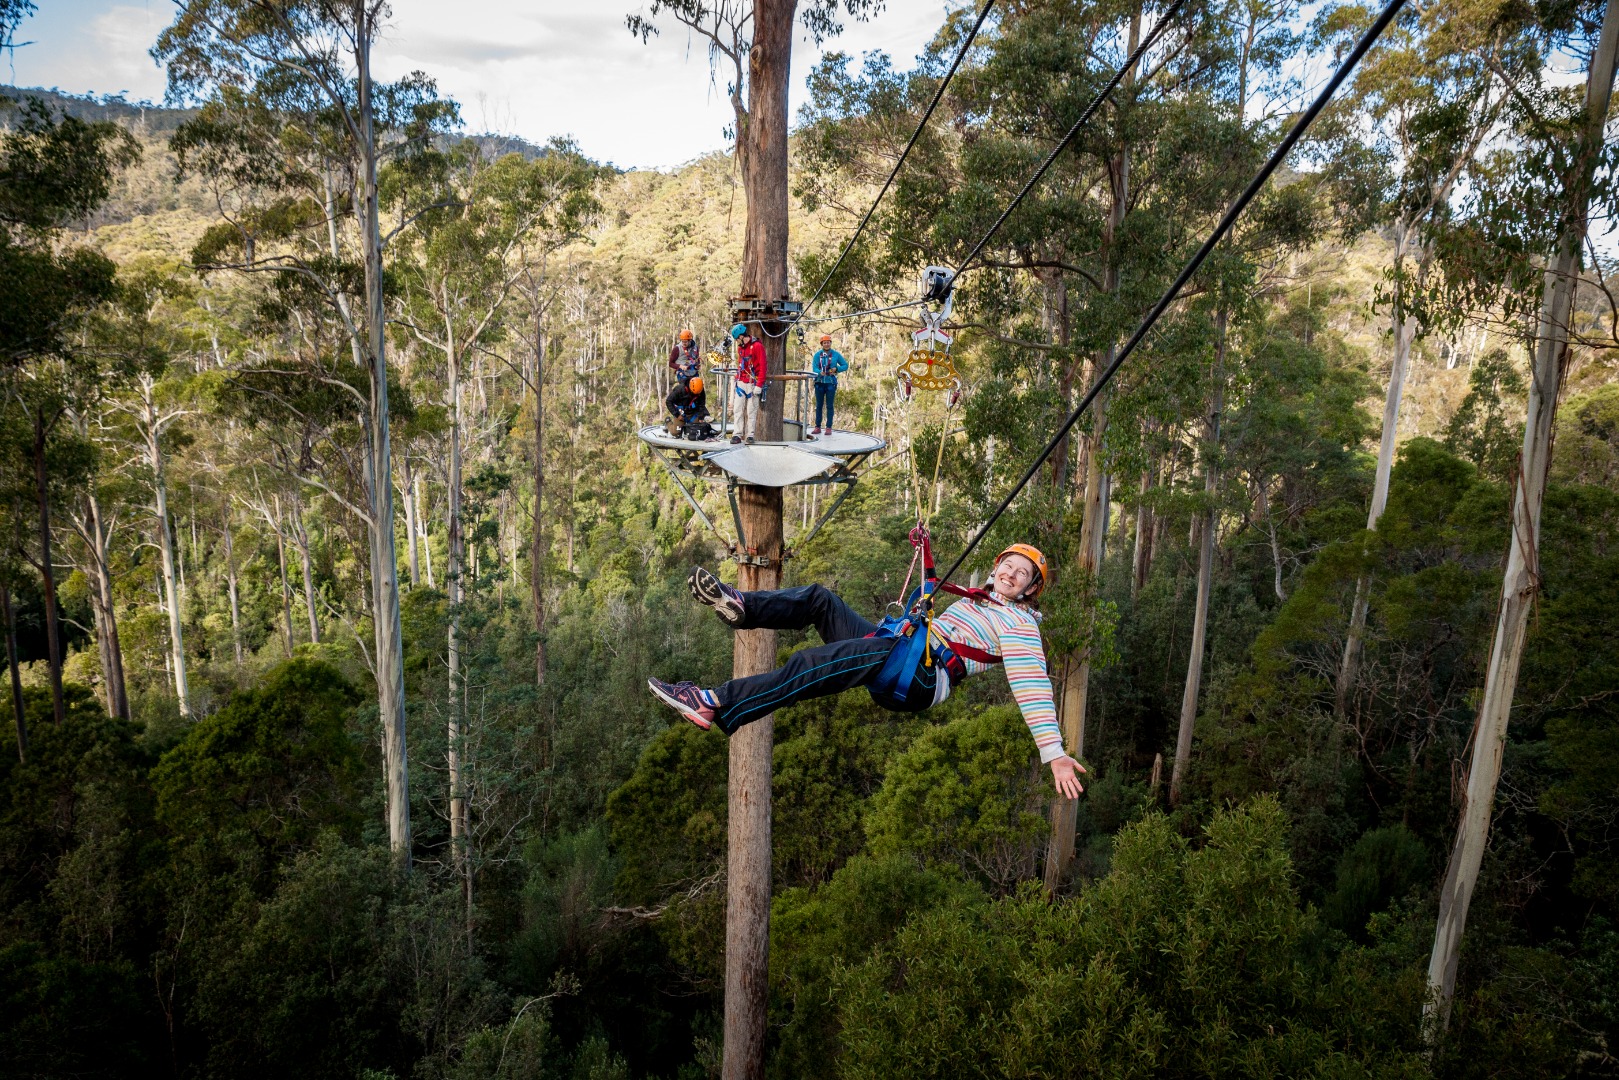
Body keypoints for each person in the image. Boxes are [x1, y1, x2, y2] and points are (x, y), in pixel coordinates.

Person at [646, 544, 1086, 798]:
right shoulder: (977, 599)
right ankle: (743, 607)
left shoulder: (1020, 625)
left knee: (810, 664)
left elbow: (1033, 685)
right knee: (820, 600)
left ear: (1031, 588)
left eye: (1022, 573)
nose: (1011, 573)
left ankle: (713, 703)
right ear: (996, 568)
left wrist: (1054, 753)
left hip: (919, 674)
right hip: (900, 649)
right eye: (1008, 565)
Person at [729, 322, 767, 445]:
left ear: (741, 336)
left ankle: (750, 435)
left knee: (751, 410)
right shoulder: (741, 348)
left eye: (737, 339)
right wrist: (737, 378)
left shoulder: (757, 346)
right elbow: (741, 364)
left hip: (752, 383)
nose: (737, 342)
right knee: (738, 409)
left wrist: (759, 385)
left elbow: (763, 366)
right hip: (741, 382)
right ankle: (737, 434)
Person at [809, 333, 848, 435]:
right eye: (824, 343)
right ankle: (817, 427)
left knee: (830, 405)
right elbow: (814, 367)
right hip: (819, 383)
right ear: (822, 344)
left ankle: (829, 427)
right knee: (819, 405)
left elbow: (845, 365)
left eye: (828, 342)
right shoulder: (817, 355)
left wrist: (837, 369)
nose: (826, 344)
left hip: (830, 383)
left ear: (831, 343)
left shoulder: (836, 354)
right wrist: (819, 372)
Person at [668, 329, 708, 417]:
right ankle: (685, 412)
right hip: (683, 375)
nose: (684, 343)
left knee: (698, 391)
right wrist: (680, 366)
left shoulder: (695, 347)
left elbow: (696, 359)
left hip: (693, 373)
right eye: (682, 341)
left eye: (686, 341)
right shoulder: (677, 349)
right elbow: (670, 363)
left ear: (690, 340)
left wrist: (697, 365)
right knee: (686, 393)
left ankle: (700, 413)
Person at [665, 376, 715, 440]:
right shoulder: (679, 389)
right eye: (694, 393)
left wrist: (700, 417)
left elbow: (701, 404)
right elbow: (668, 401)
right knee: (675, 432)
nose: (696, 395)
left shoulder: (700, 390)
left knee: (698, 428)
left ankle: (688, 427)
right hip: (680, 413)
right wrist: (677, 415)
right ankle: (668, 422)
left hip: (693, 413)